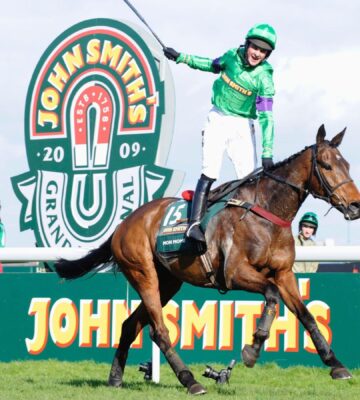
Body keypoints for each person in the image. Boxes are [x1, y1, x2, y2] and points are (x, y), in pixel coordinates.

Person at [164, 23, 277, 245]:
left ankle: (253, 228)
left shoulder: (265, 78)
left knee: (251, 178)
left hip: (243, 125)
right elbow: (210, 65)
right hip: (217, 119)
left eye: (263, 51)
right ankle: (194, 224)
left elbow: (267, 117)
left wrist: (267, 151)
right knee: (210, 170)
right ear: (247, 44)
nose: (257, 54)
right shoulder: (230, 57)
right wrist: (180, 57)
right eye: (255, 47)